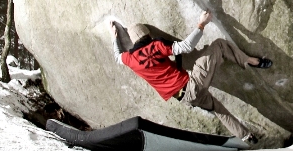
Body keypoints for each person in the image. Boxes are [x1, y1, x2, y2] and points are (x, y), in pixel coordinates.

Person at [110, 10, 272, 144]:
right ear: (147, 34)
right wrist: (202, 23)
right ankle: (251, 61)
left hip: (185, 99)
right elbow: (186, 46)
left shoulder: (130, 59)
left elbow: (117, 57)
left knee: (218, 109)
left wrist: (114, 37)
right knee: (219, 45)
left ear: (133, 41)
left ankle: (246, 136)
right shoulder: (156, 46)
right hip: (193, 85)